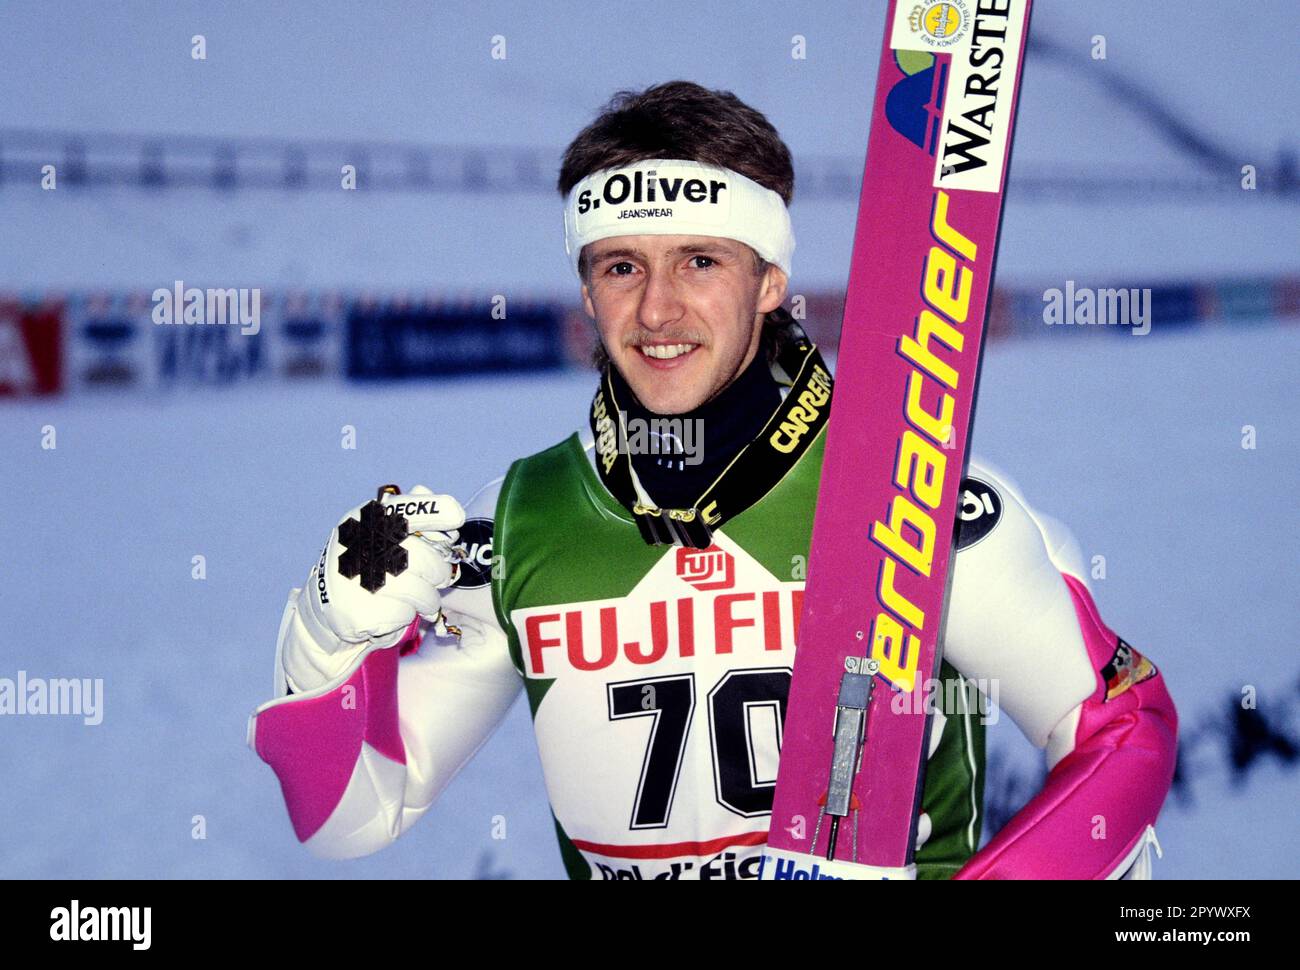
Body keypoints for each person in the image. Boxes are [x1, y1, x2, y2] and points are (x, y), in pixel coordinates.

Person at [247, 81, 1178, 880]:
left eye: (700, 260)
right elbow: (349, 820)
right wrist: (328, 639)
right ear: (586, 291)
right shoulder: (521, 521)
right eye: (622, 266)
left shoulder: (914, 493)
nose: (657, 309)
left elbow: (1122, 726)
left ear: (770, 279)